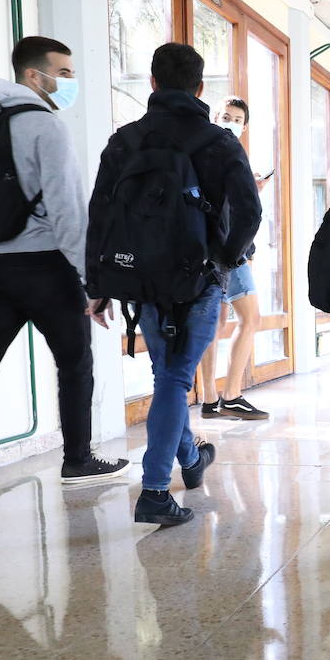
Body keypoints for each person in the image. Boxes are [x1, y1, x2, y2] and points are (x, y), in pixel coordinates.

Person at [0, 36, 129, 512]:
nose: (71, 82)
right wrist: (93, 280)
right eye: (65, 72)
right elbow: (68, 212)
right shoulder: (44, 127)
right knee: (75, 362)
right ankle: (77, 460)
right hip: (43, 266)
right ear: (35, 76)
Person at [87, 43, 261, 526]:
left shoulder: (124, 141)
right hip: (199, 278)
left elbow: (99, 213)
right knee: (175, 378)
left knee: (169, 377)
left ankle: (189, 458)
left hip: (140, 278)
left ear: (153, 84)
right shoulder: (219, 142)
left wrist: (96, 283)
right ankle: (156, 491)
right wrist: (224, 262)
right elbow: (250, 212)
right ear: (200, 88)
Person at [196, 96, 271, 421]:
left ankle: (212, 398)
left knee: (215, 324)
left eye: (237, 118)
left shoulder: (207, 150)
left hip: (218, 249)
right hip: (227, 250)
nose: (231, 122)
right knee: (250, 319)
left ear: (245, 125)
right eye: (226, 116)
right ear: (215, 115)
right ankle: (231, 395)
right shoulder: (222, 151)